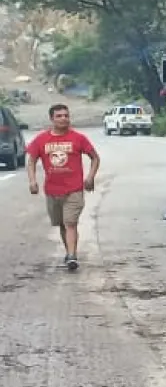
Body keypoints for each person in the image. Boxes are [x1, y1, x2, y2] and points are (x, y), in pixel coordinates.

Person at [26, 103, 100, 270]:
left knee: (70, 222)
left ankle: (73, 256)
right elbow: (31, 161)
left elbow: (95, 158)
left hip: (74, 189)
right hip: (52, 190)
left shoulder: (78, 138)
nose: (63, 119)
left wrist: (90, 177)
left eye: (66, 115)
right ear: (51, 119)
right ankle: (69, 252)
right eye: (59, 116)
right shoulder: (41, 139)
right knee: (62, 224)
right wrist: (32, 180)